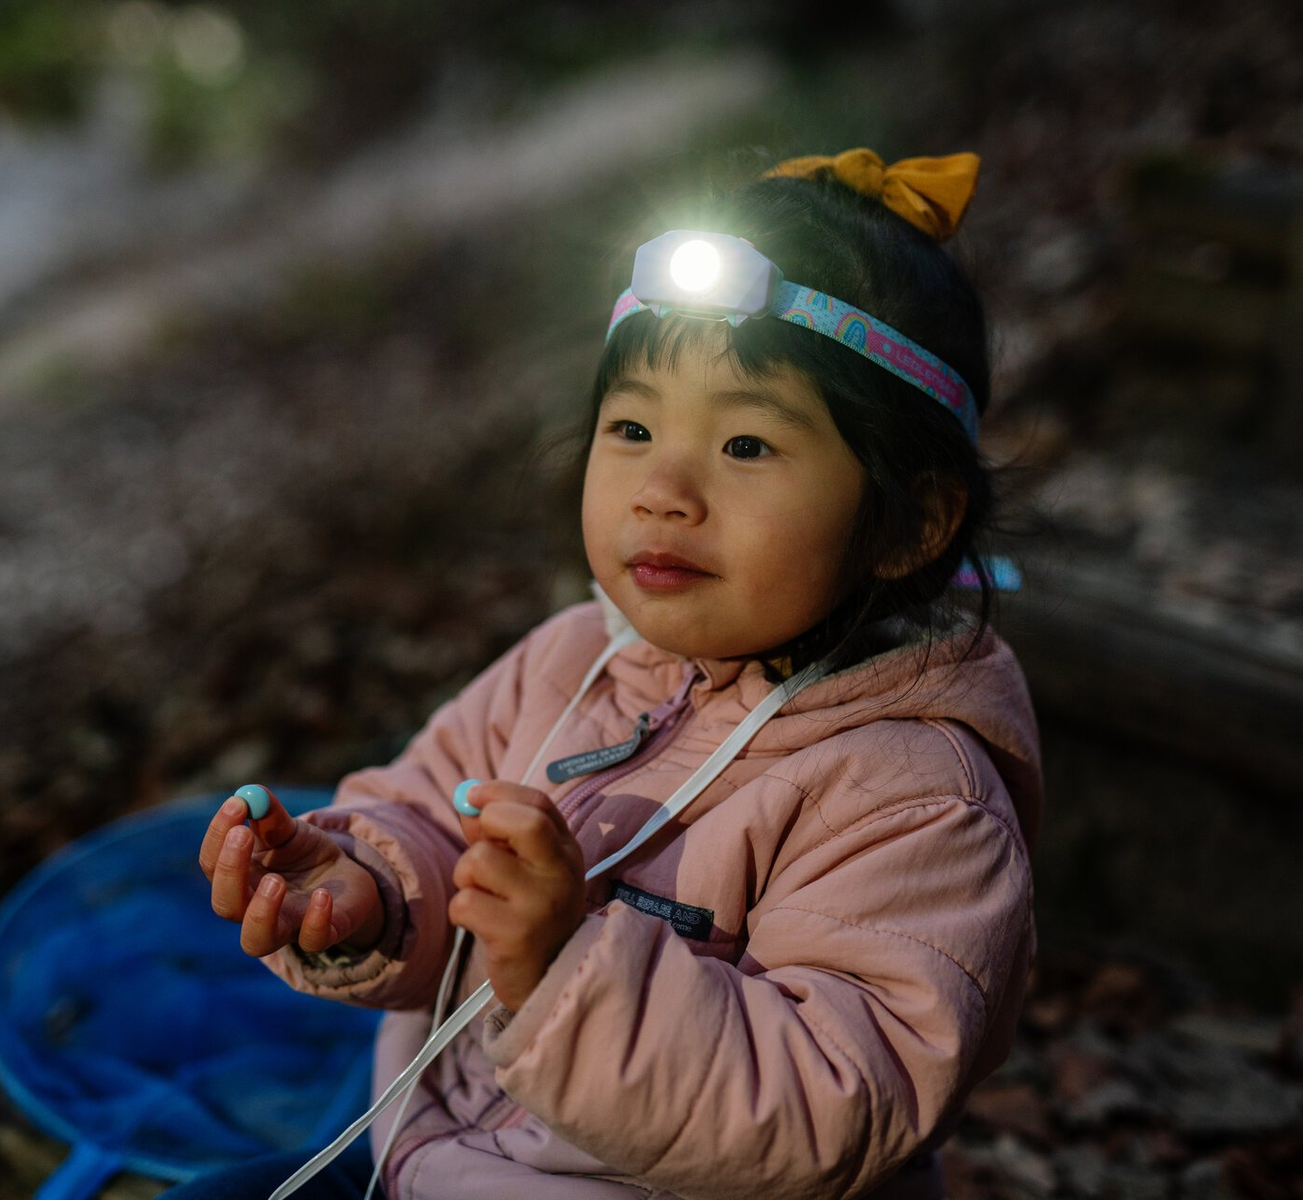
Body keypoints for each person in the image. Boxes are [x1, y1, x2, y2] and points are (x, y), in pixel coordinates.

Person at [182, 146, 1042, 1200]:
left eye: (746, 445)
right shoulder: (569, 662)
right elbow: (429, 817)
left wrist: (562, 966)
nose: (662, 489)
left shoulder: (914, 798)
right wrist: (364, 892)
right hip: (432, 1162)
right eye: (632, 427)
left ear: (913, 523)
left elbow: (837, 1108)